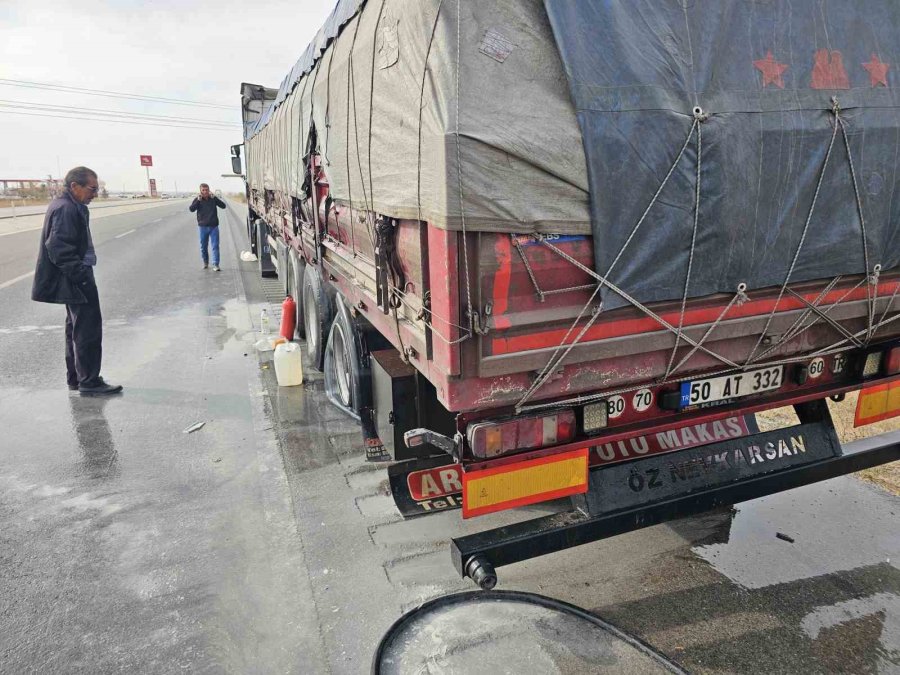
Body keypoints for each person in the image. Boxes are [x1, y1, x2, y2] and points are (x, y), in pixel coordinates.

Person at [32, 166, 123, 396]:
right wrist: (81, 276)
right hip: (74, 279)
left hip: (71, 278)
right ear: (75, 186)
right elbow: (58, 248)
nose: (95, 193)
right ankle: (89, 382)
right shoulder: (65, 209)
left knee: (76, 328)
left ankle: (77, 378)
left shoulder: (72, 205)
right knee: (87, 330)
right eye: (92, 188)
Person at [189, 183, 226, 271]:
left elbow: (223, 206)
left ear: (209, 190)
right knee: (203, 247)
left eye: (206, 190)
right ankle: (205, 262)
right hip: (203, 227)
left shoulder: (213, 199)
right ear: (200, 191)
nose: (205, 192)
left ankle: (216, 264)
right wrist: (198, 200)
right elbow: (191, 209)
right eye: (203, 190)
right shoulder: (198, 200)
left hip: (214, 227)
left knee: (215, 246)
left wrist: (215, 198)